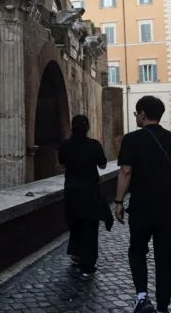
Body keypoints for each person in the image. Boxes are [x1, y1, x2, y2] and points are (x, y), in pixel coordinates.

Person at [114, 96, 171, 313]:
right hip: (169, 209)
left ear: (143, 114)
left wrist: (119, 201)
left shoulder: (131, 139)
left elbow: (126, 171)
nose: (136, 117)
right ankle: (163, 306)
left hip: (141, 207)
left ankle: (141, 297)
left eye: (136, 113)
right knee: (165, 258)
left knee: (137, 251)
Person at [58, 114, 109, 280]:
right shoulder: (94, 145)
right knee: (90, 227)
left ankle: (77, 256)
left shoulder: (65, 145)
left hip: (72, 190)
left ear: (72, 127)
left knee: (75, 224)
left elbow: (62, 162)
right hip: (90, 191)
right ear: (87, 128)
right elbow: (103, 164)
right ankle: (88, 264)